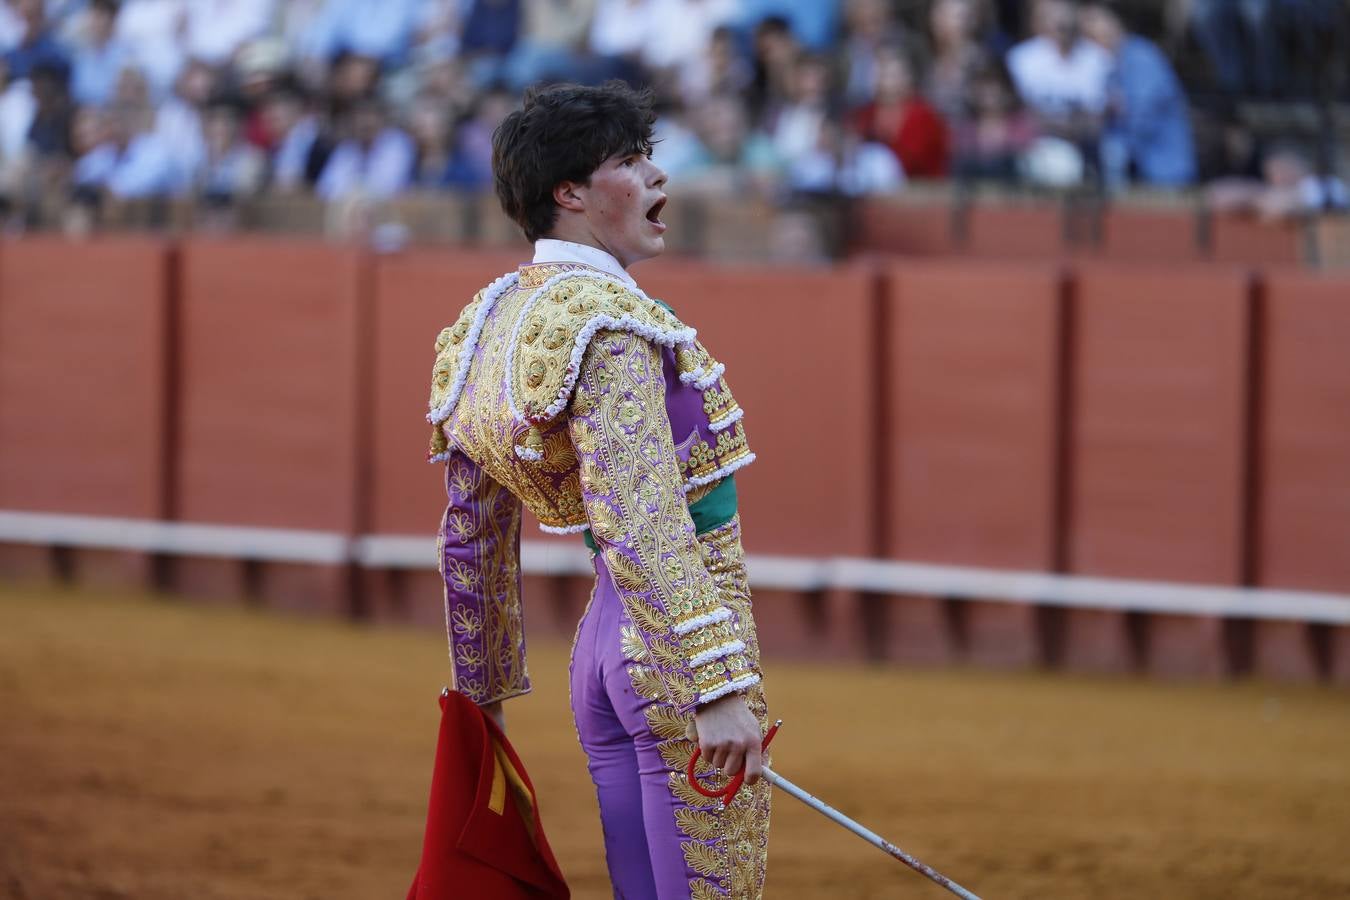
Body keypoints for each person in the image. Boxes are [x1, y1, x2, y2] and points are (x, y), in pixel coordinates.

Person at [424, 81, 770, 899]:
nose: (658, 179)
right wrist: (715, 689)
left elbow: (469, 535)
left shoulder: (487, 323)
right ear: (570, 193)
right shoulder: (612, 324)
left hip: (602, 659)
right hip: (674, 655)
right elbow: (642, 517)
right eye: (630, 161)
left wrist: (485, 701)